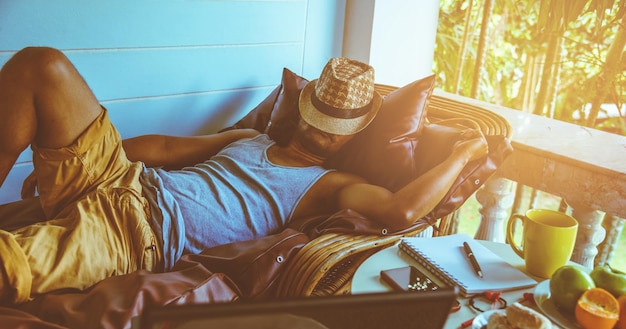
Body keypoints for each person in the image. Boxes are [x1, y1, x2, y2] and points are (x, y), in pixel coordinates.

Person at [0, 47, 488, 304]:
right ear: (303, 106)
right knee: (41, 66)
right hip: (121, 181)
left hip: (132, 234)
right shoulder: (249, 139)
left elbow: (402, 208)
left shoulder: (331, 186)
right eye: (318, 115)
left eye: (335, 128)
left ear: (352, 135)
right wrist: (74, 163)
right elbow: (167, 148)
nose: (322, 131)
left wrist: (462, 157)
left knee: (9, 264)